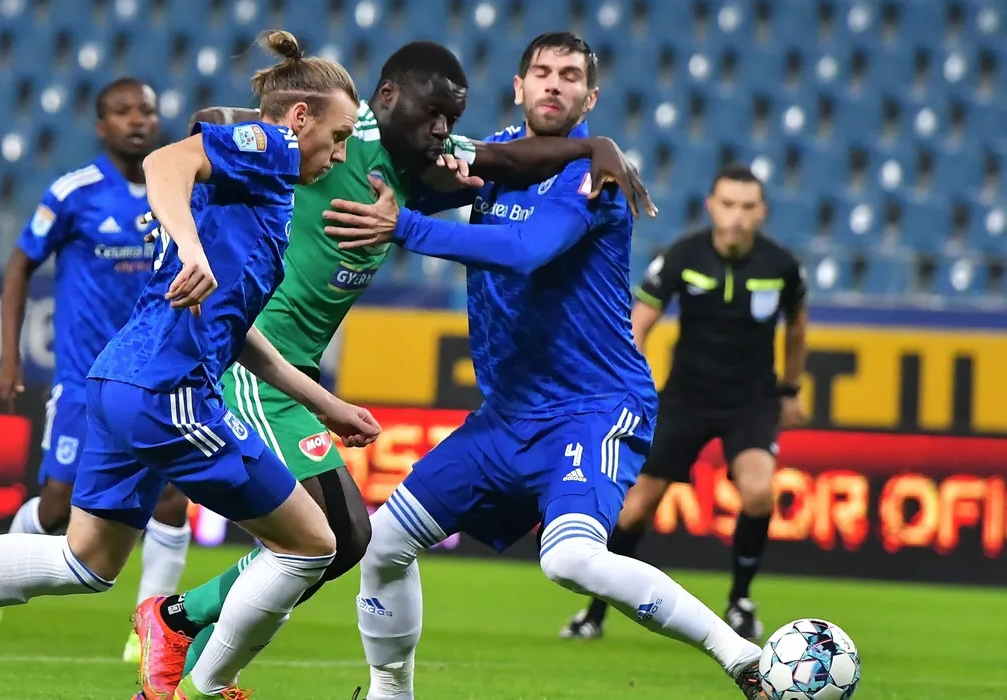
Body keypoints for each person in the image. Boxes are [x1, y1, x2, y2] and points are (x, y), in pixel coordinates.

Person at [0, 31, 379, 700]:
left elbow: (234, 327)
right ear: (300, 117)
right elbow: (166, 161)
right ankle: (199, 677)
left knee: (87, 560)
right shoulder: (272, 147)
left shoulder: (264, 189)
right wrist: (188, 245)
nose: (339, 154)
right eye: (338, 136)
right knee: (314, 544)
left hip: (119, 381)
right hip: (168, 390)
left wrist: (322, 401)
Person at [132, 38, 657, 700]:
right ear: (387, 99)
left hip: (297, 374)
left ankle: (183, 631)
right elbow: (220, 122)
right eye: (432, 114)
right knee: (327, 538)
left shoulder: (418, 161)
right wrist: (200, 201)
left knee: (340, 540)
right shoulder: (342, 132)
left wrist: (596, 148)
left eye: (450, 119)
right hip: (255, 359)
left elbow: (508, 160)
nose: (442, 130)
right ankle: (193, 660)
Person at [323, 32, 768, 700]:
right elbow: (415, 178)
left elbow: (527, 249)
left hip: (593, 407)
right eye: (541, 71)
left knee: (569, 559)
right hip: (506, 419)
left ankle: (741, 658)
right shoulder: (491, 155)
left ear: (590, 97)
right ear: (518, 87)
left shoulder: (596, 176)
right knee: (382, 544)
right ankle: (391, 695)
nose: (554, 83)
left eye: (569, 75)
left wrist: (404, 228)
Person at [0, 76, 194, 663]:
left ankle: (150, 631)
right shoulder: (75, 192)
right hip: (84, 379)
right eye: (123, 112)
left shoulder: (178, 187)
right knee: (58, 508)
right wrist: (10, 355)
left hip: (157, 377)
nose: (137, 120)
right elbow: (19, 265)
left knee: (171, 501)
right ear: (100, 126)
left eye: (146, 110)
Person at [561, 164, 808, 643]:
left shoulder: (781, 265)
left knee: (759, 492)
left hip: (751, 400)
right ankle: (595, 612)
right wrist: (628, 386)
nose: (737, 216)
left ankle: (740, 602)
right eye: (728, 204)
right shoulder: (683, 255)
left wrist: (791, 389)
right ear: (711, 206)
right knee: (634, 511)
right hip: (686, 397)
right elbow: (640, 322)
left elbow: (797, 326)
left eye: (747, 206)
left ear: (762, 212)